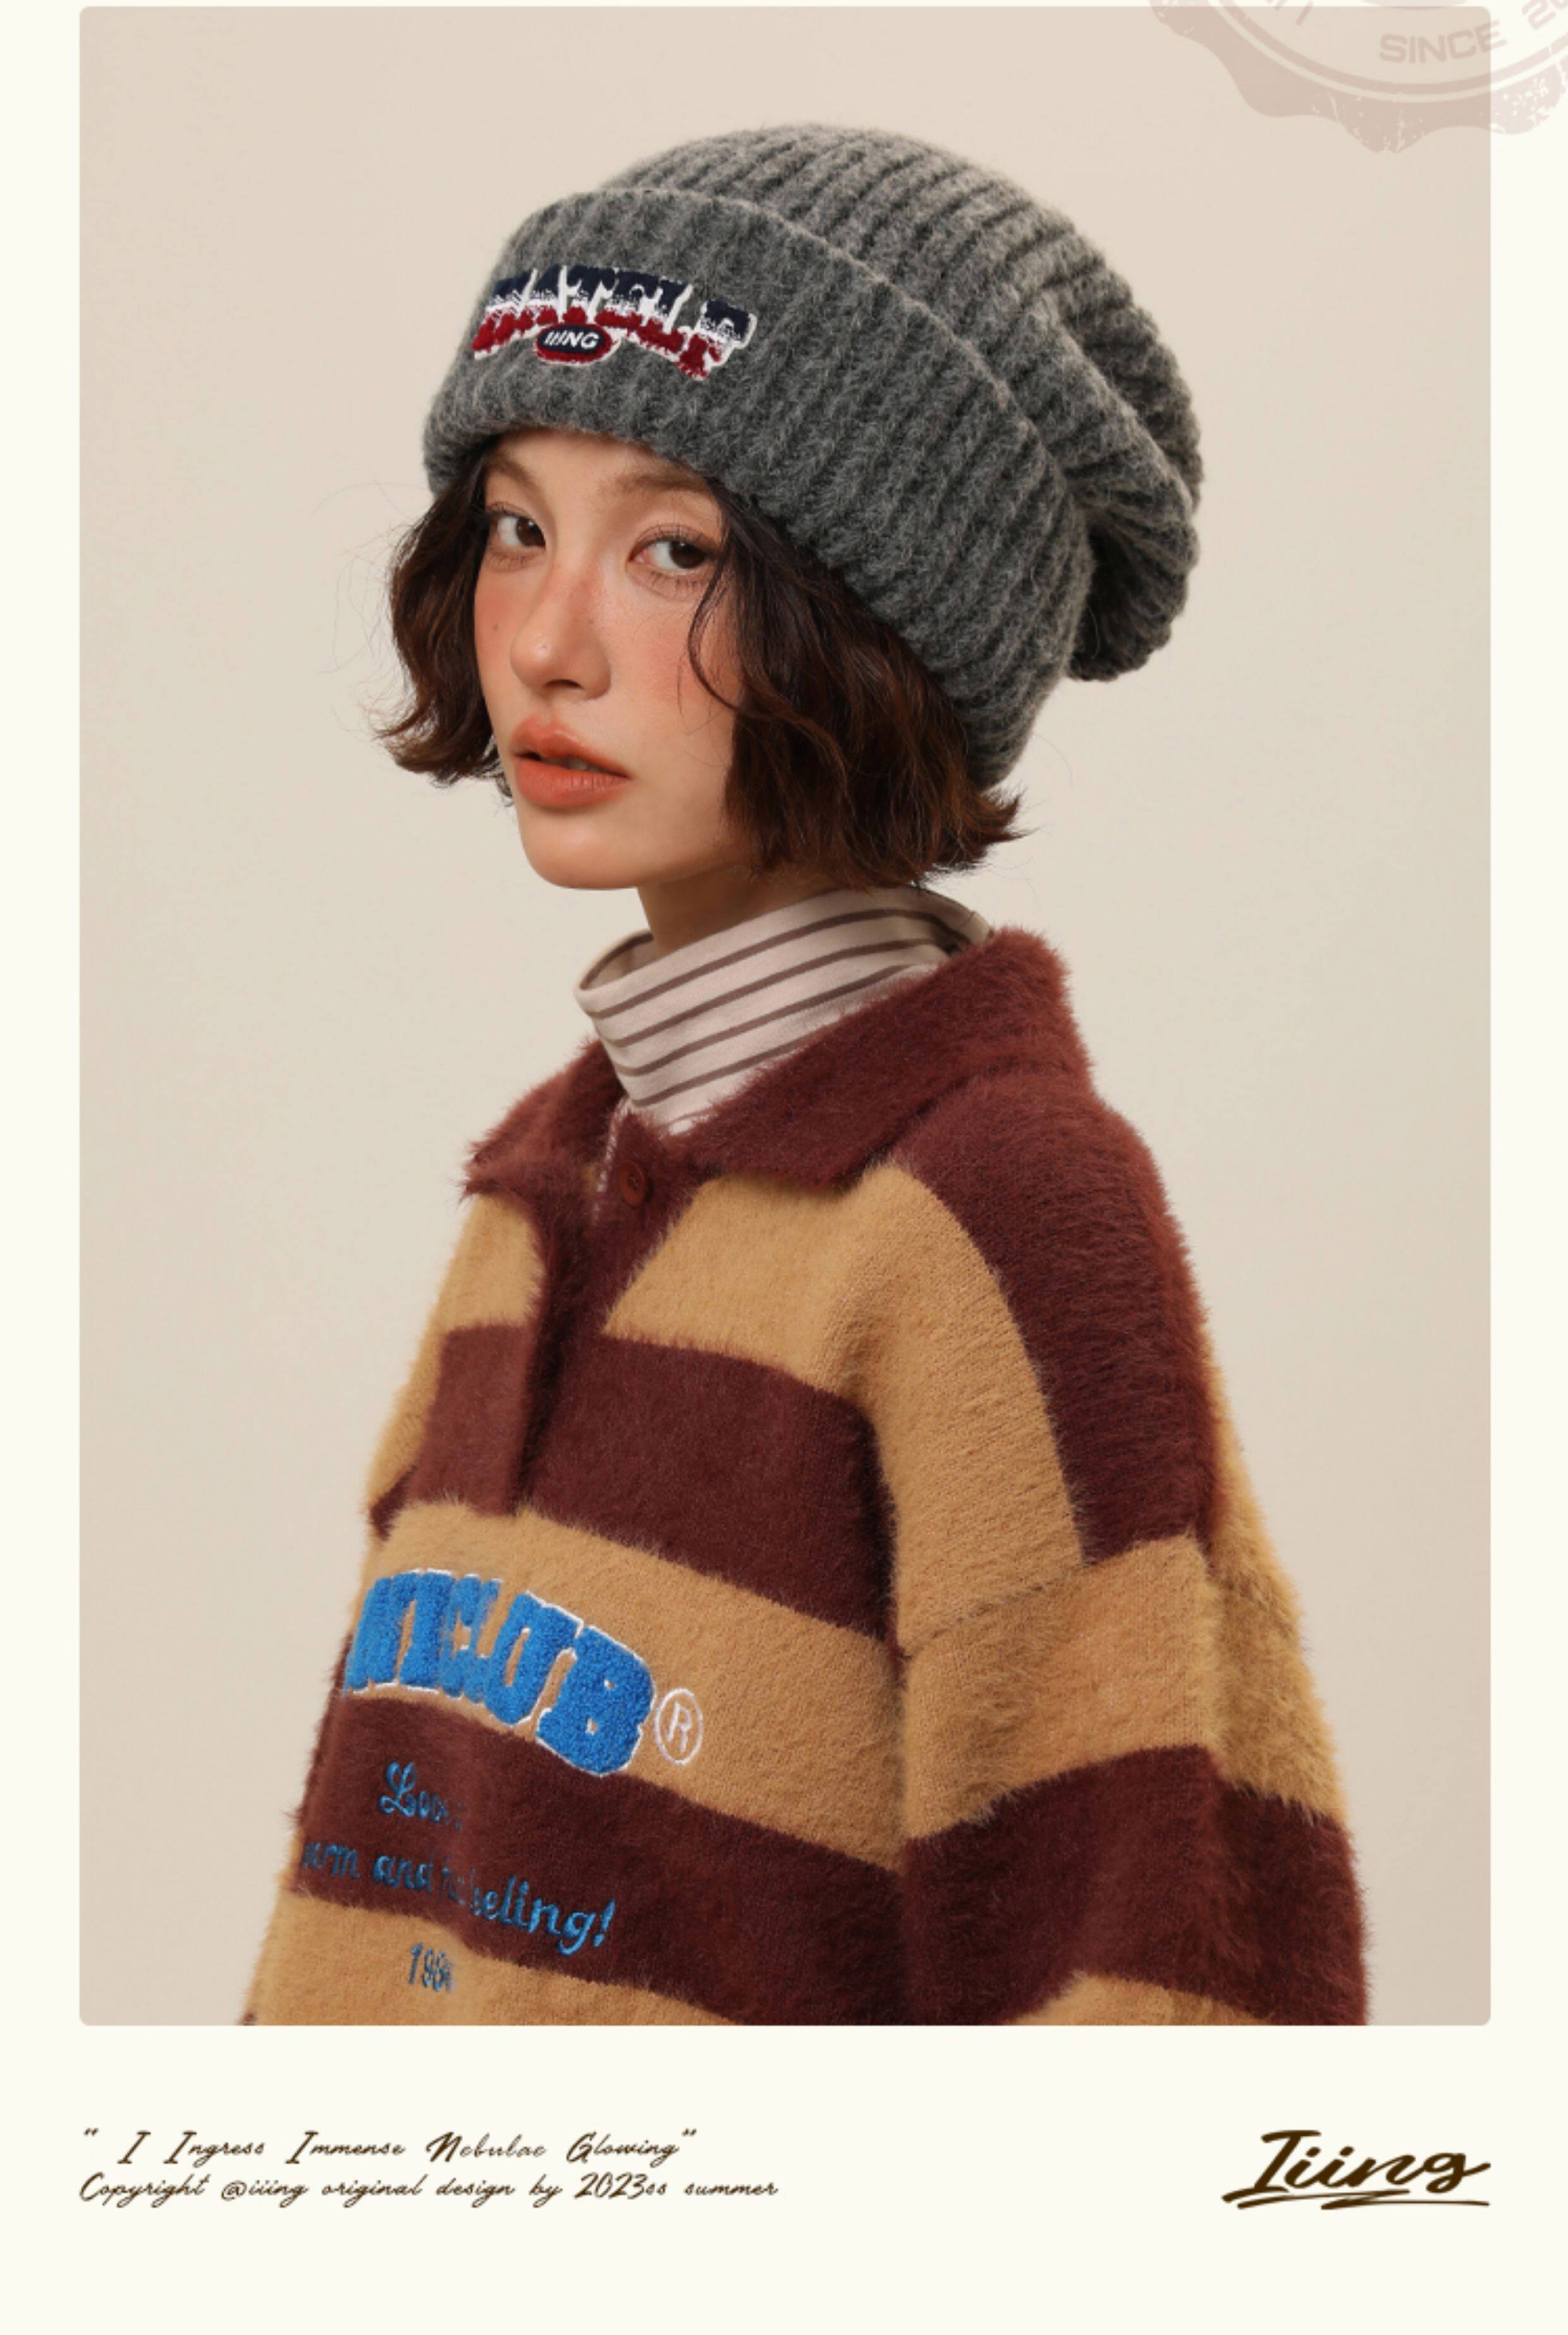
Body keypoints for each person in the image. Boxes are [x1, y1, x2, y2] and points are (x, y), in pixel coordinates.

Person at [245, 124, 1369, 2025]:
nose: (547, 642)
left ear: (888, 627)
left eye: (674, 550)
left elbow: (1157, 1981)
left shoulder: (993, 1212)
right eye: (516, 526)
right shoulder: (540, 1197)